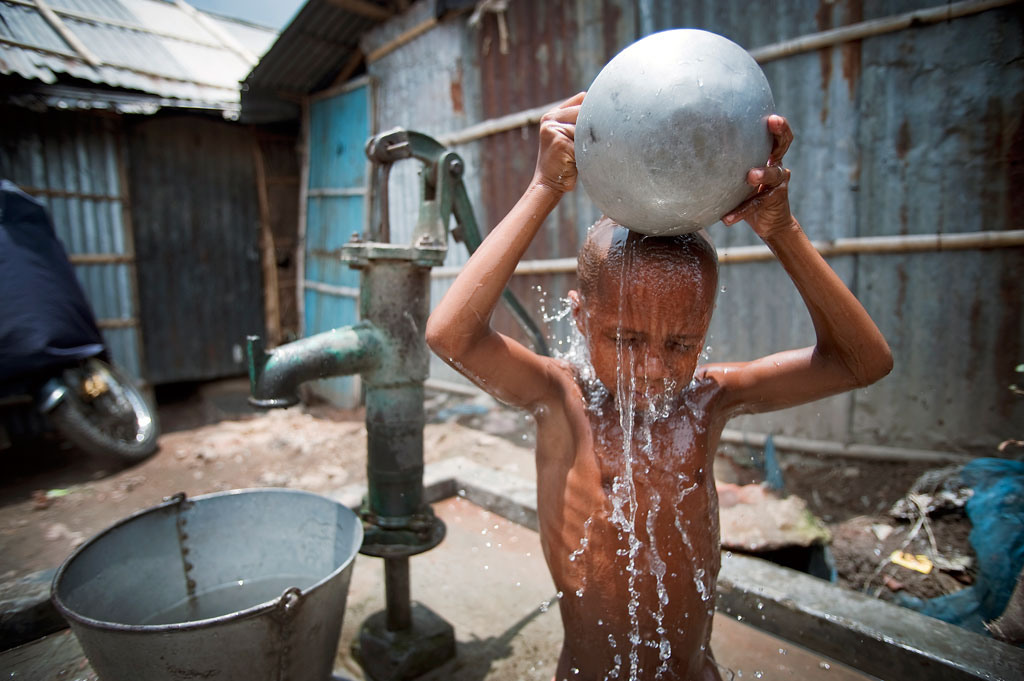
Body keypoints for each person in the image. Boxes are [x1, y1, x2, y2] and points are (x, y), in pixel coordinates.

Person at [425, 92, 893, 680]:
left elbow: (862, 361)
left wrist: (782, 229)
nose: (652, 366)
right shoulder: (556, 396)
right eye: (625, 339)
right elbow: (452, 336)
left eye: (681, 345)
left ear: (705, 336)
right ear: (580, 319)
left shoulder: (709, 400)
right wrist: (544, 188)